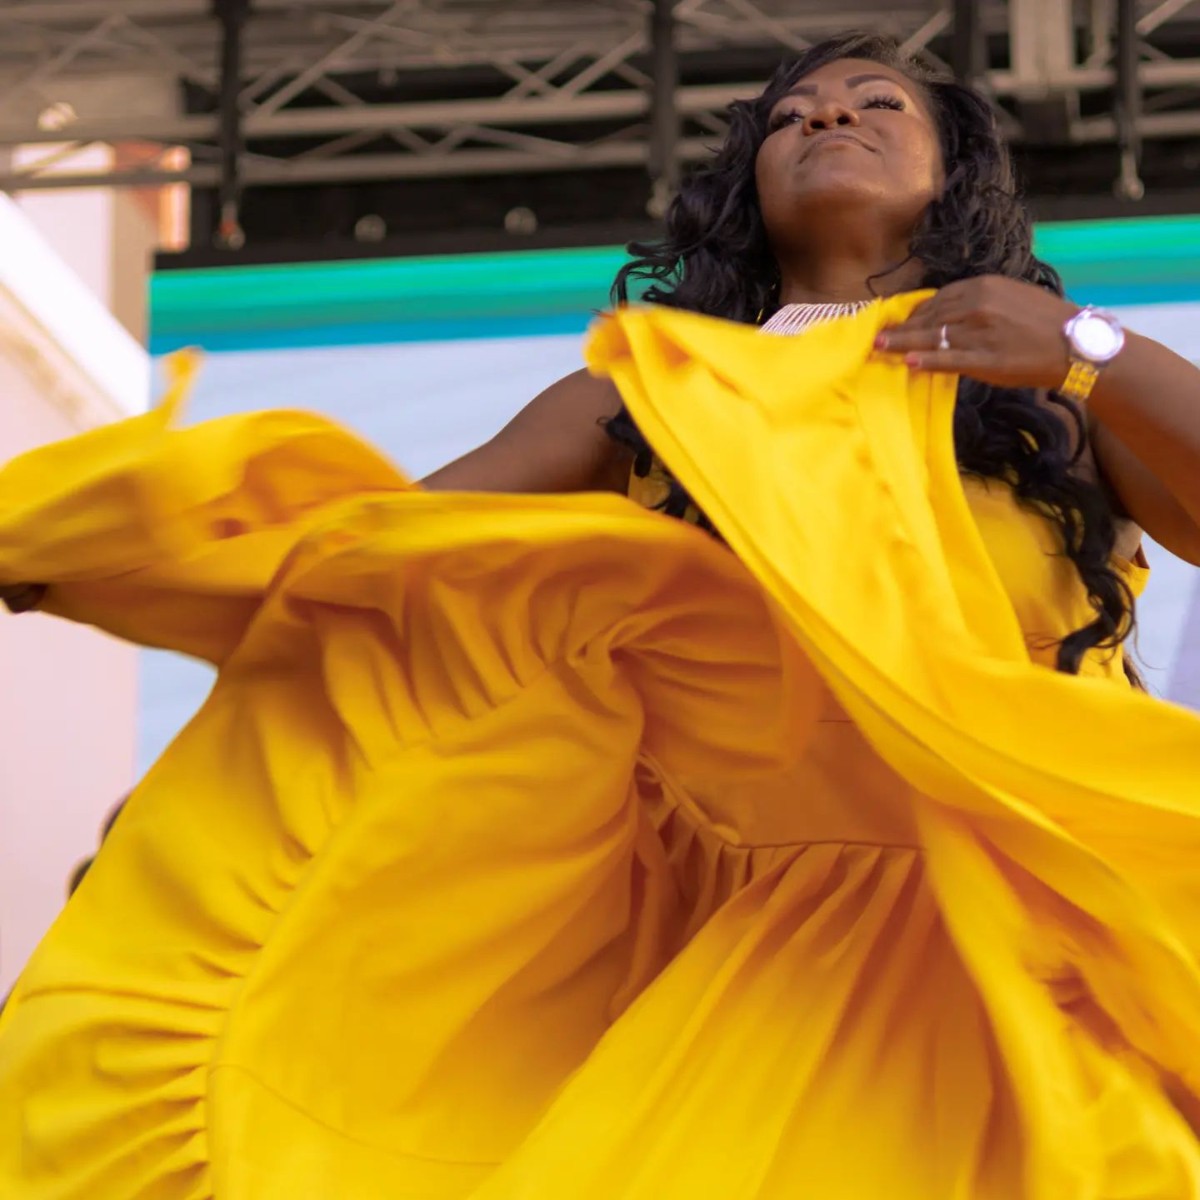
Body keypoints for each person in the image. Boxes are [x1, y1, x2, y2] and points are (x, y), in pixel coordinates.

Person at [3, 29, 1200, 1200]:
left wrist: (1091, 351)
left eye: (876, 104)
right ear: (745, 193)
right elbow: (384, 554)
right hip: (757, 945)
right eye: (791, 115)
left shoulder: (1043, 383)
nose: (826, 116)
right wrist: (121, 568)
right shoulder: (637, 399)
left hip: (1044, 910)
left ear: (961, 176)